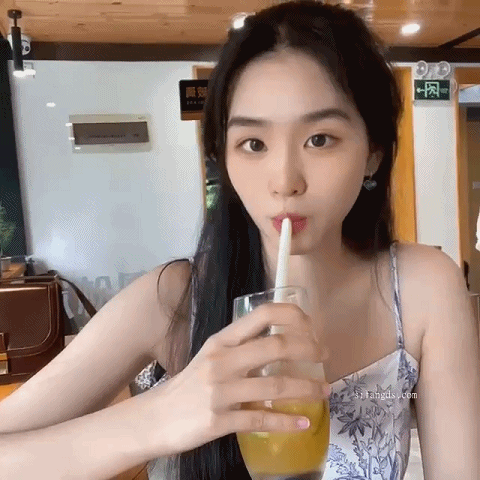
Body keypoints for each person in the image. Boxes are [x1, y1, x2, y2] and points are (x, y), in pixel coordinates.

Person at [0, 1, 479, 479]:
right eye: (254, 144)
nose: (285, 181)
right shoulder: (174, 301)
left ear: (373, 152)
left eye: (320, 139)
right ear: (224, 160)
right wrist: (154, 418)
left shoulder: (423, 289)